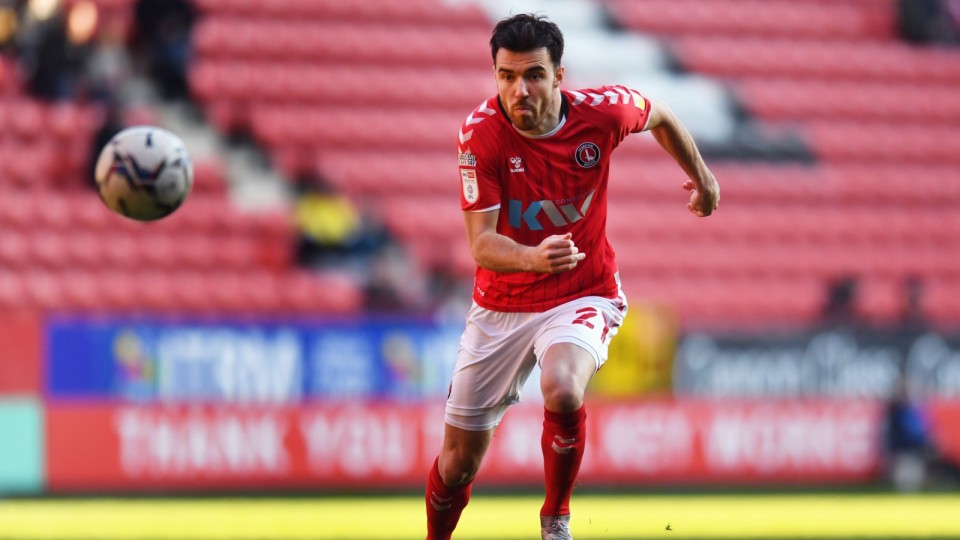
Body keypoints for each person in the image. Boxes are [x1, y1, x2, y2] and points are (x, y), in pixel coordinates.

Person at [425, 14, 719, 540]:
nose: (519, 90)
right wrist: (533, 258)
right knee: (458, 464)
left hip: (583, 292)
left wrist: (703, 179)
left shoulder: (602, 114)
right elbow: (481, 244)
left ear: (560, 75)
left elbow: (661, 114)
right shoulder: (479, 135)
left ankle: (555, 519)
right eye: (507, 76)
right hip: (501, 305)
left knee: (561, 387)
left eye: (533, 75)